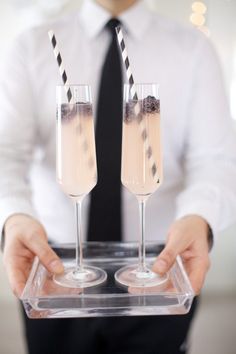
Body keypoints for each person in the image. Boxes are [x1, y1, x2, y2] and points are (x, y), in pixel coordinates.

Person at [1, 0, 236, 353]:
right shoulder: (33, 44)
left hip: (163, 269)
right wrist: (14, 215)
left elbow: (217, 159)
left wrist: (199, 218)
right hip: (54, 273)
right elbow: (5, 152)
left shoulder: (193, 48)